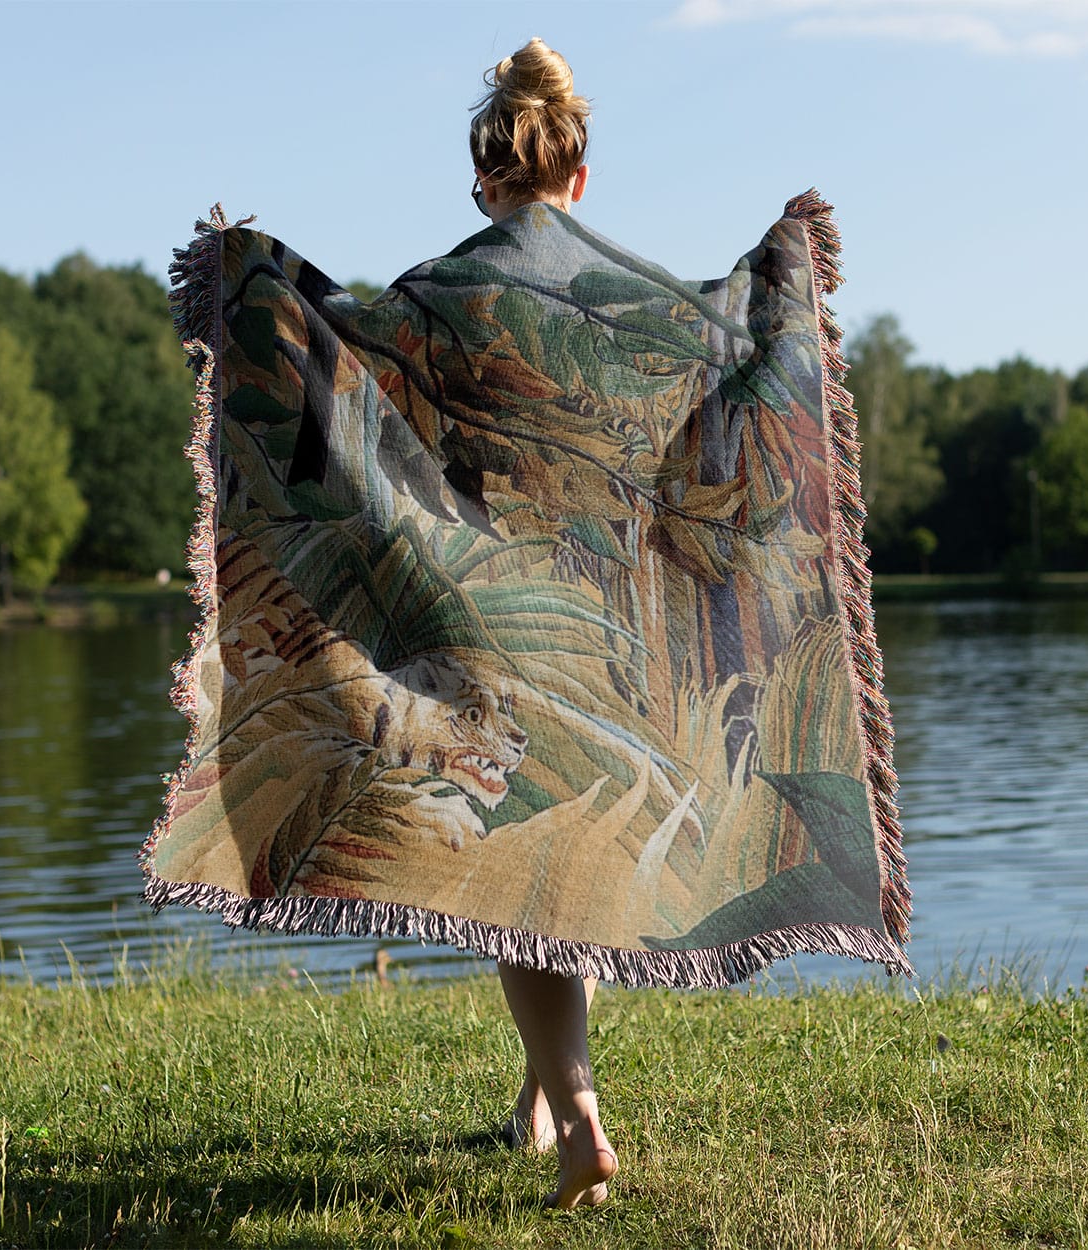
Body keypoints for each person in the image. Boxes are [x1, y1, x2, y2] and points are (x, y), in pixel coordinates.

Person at [467, 36, 618, 1212]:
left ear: (486, 179)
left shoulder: (447, 285)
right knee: (564, 860)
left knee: (516, 880)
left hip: (491, 610)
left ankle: (577, 1117)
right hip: (611, 612)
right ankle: (534, 1100)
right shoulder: (628, 293)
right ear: (576, 175)